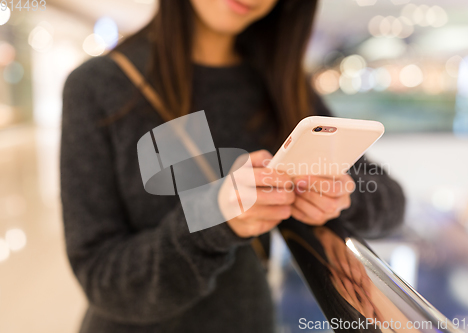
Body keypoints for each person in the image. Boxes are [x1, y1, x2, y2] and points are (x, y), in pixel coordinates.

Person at [60, 0, 405, 332]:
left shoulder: (279, 81)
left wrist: (339, 196)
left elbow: (390, 200)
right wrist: (215, 218)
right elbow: (100, 275)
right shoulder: (99, 87)